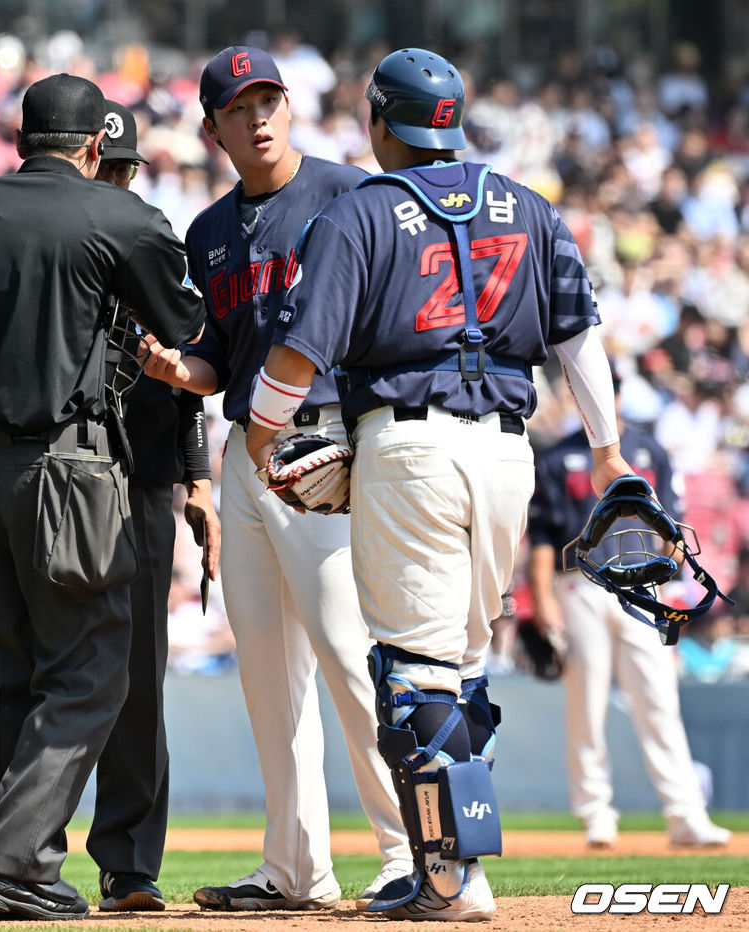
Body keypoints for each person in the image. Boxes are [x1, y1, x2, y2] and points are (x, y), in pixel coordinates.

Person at [245, 47, 636, 922]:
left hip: (409, 445)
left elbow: (297, 352)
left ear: (382, 122)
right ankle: (464, 869)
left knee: (414, 673)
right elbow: (580, 338)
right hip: (506, 452)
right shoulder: (527, 206)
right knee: (460, 667)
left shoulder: (362, 212)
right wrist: (607, 450)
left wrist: (264, 438)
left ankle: (454, 881)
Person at [0, 74, 205, 921]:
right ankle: (11, 864)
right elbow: (186, 328)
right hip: (67, 468)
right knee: (92, 670)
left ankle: (13, 873)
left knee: (7, 673)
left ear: (22, 135)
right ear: (97, 147)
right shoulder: (123, 216)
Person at [143, 45, 413, 912]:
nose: (257, 116)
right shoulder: (210, 231)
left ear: (290, 108)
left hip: (327, 442)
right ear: (214, 127)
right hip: (243, 456)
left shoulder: (350, 193)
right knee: (266, 669)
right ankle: (294, 868)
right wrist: (169, 367)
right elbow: (217, 362)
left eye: (269, 99)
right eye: (238, 105)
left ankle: (410, 851)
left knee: (346, 650)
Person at [87, 99, 221, 913]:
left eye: (120, 168)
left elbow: (190, 373)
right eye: (100, 165)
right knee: (49, 668)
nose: (113, 179)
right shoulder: (42, 237)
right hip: (58, 469)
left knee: (138, 678)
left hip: (138, 478)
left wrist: (198, 479)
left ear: (132, 171)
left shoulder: (152, 241)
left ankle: (129, 864)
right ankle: (15, 858)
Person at [528, 369, 732, 846]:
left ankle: (685, 815)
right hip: (580, 584)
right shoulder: (559, 458)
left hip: (643, 583)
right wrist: (541, 600)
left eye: (602, 391)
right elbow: (543, 537)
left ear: (615, 396)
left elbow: (674, 522)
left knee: (659, 699)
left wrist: (669, 574)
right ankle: (596, 813)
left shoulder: (648, 451)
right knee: (587, 704)